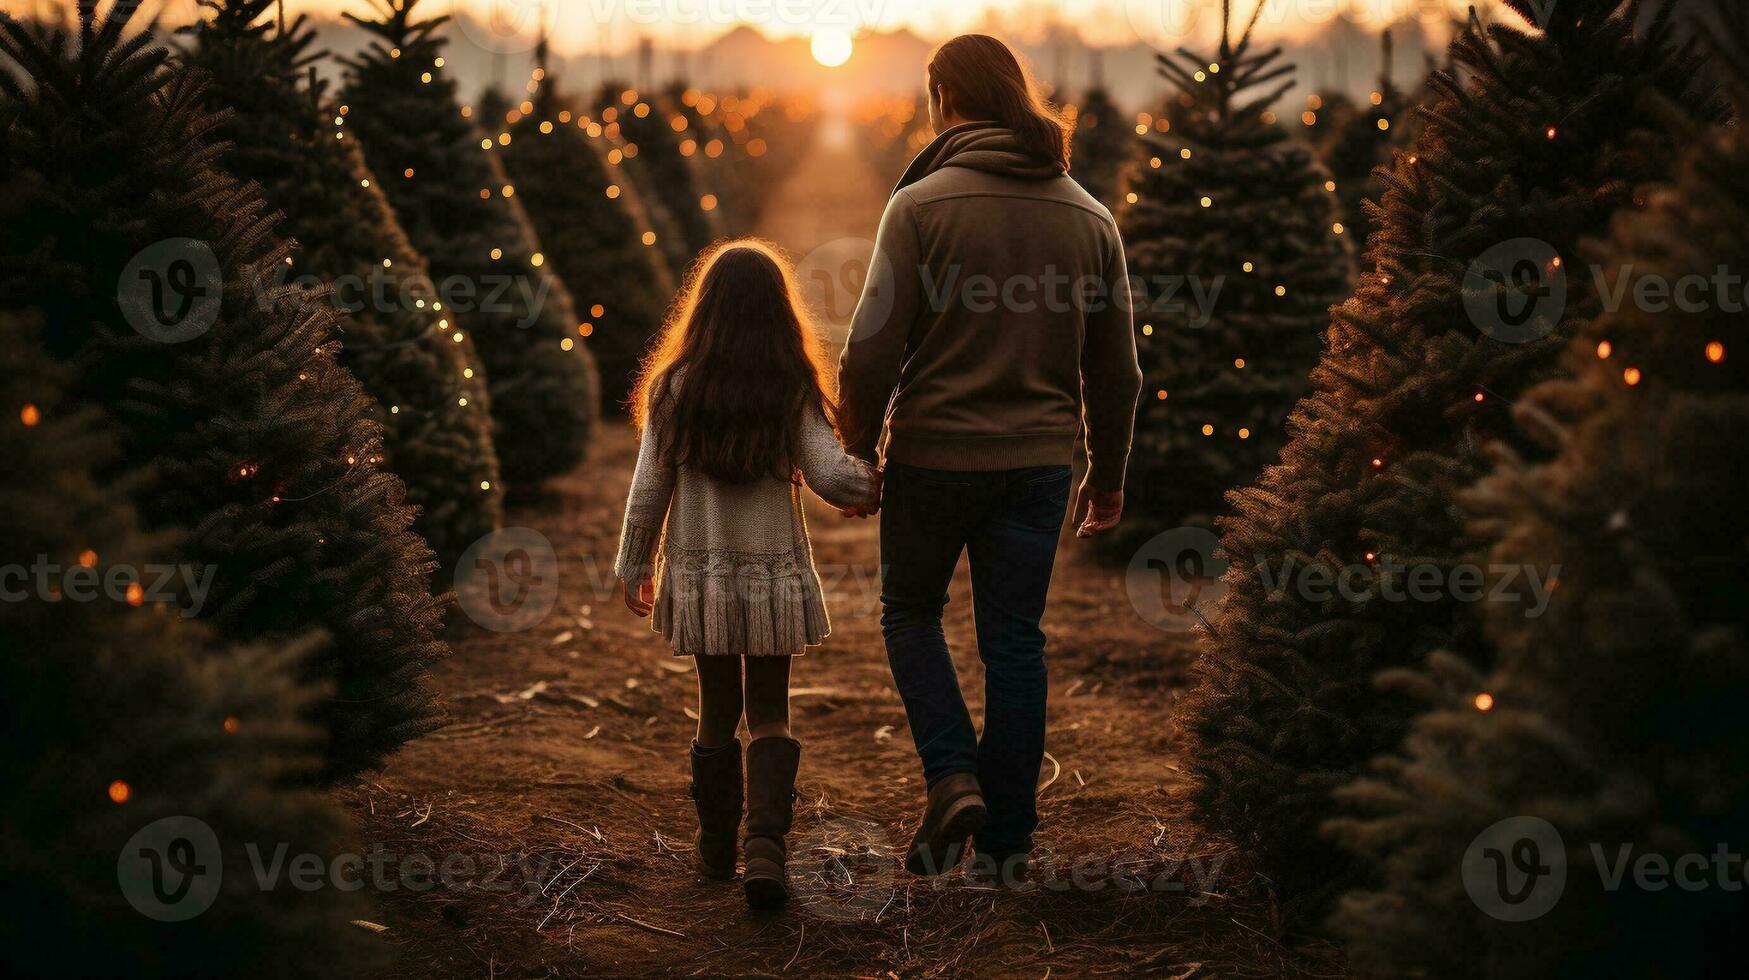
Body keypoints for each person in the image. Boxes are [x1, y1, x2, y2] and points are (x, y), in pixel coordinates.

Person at [838, 34, 1143, 886]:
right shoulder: (1090, 216)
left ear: (942, 96)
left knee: (909, 612)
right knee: (1015, 643)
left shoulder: (920, 205)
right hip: (1040, 465)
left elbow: (868, 351)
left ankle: (950, 776)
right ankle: (1007, 841)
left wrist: (857, 451)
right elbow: (1116, 370)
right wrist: (1106, 473)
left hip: (934, 457)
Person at [615, 241, 882, 909]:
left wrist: (633, 563)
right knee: (769, 711)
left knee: (716, 710)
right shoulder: (788, 385)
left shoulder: (673, 386)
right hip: (770, 577)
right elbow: (827, 473)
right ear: (778, 314)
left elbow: (649, 488)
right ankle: (765, 850)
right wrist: (873, 482)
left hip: (702, 576)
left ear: (702, 312)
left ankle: (713, 847)